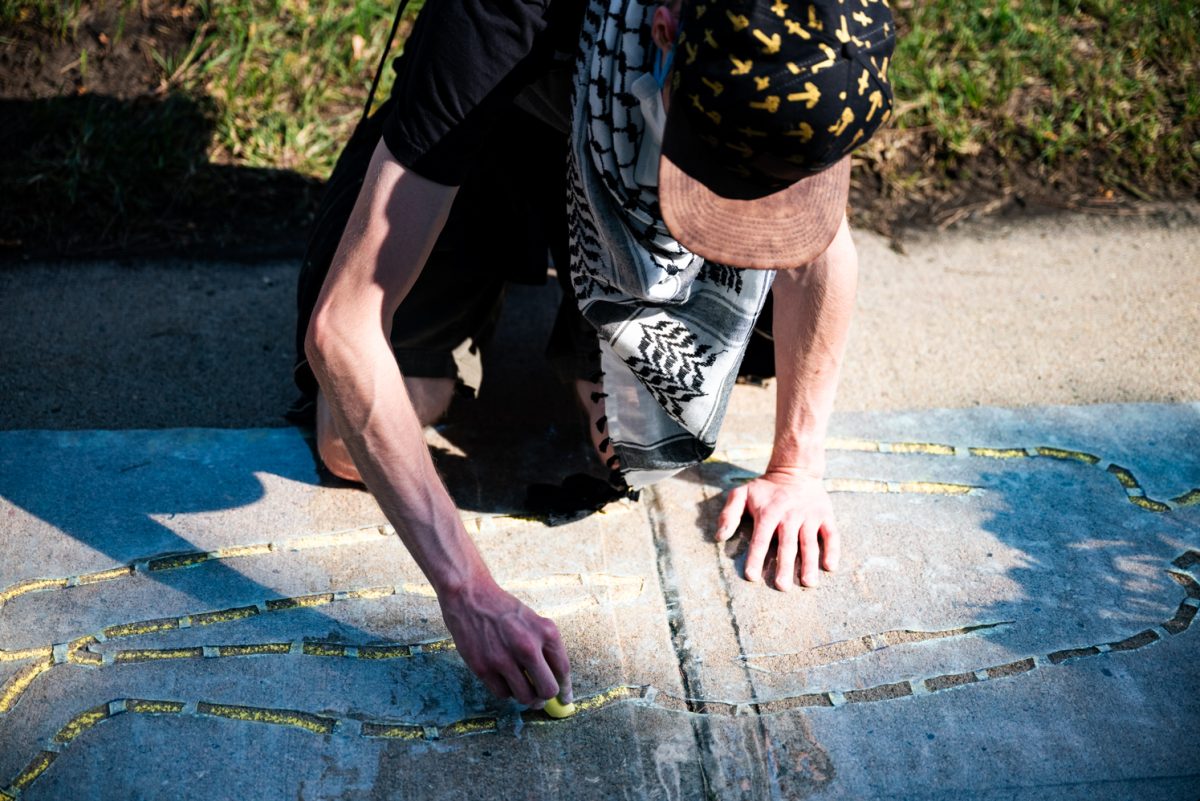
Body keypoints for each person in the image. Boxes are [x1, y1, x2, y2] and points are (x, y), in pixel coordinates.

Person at [292, 0, 894, 710]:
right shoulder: (494, 19)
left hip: (625, 146)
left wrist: (798, 465)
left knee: (632, 442)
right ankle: (497, 265)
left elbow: (820, 243)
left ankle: (597, 319)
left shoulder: (818, 31)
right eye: (715, 178)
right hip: (495, 128)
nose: (736, 212)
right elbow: (344, 328)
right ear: (666, 31)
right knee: (345, 440)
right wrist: (468, 591)